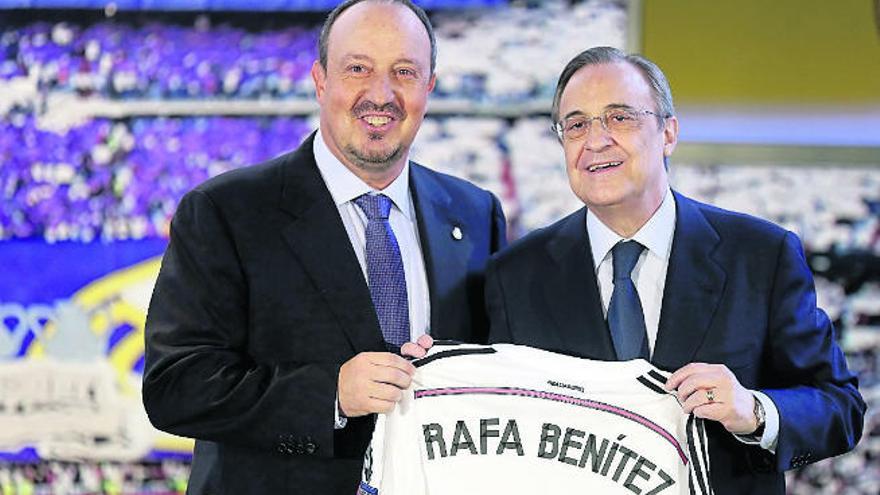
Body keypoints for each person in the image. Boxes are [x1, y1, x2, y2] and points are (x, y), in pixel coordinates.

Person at [141, 1, 506, 493]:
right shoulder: (226, 210)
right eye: (358, 69)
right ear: (320, 80)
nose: (381, 94)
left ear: (428, 87)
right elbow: (176, 387)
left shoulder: (474, 212)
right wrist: (330, 394)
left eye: (404, 72)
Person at [484, 46, 864, 494]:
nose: (596, 140)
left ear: (668, 133)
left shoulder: (761, 255)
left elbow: (840, 406)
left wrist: (754, 410)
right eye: (577, 124)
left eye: (619, 117)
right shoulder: (515, 274)